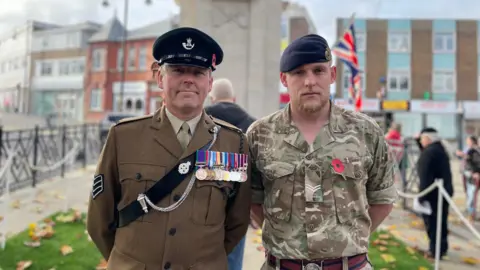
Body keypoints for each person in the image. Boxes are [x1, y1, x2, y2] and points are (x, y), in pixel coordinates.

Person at [87, 27, 251, 270]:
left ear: (209, 82)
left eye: (197, 72)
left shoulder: (233, 143)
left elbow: (236, 223)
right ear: (160, 78)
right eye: (178, 70)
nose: (188, 79)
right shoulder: (123, 137)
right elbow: (99, 219)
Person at [247, 34, 398, 270]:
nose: (309, 81)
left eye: (318, 70)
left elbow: (382, 199)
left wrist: (347, 238)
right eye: (298, 72)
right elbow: (253, 201)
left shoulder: (365, 132)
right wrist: (288, 239)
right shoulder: (260, 134)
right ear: (284, 79)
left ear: (333, 75)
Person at [205, 78, 256, 270]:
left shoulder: (199, 120)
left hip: (202, 207)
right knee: (233, 260)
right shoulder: (252, 124)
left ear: (212, 98)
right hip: (237, 205)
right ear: (233, 98)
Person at [416, 127, 453, 259]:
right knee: (441, 222)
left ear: (428, 138)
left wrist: (422, 195)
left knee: (433, 224)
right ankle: (440, 248)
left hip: (433, 194)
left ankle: (435, 250)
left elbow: (425, 176)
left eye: (422, 139)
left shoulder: (430, 153)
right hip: (442, 192)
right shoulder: (438, 149)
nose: (420, 141)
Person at [458, 135, 480, 221]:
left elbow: (475, 162)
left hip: (474, 175)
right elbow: (471, 161)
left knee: (472, 193)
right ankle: (471, 211)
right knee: (470, 192)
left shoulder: (474, 151)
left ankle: (471, 212)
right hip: (471, 175)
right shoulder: (473, 151)